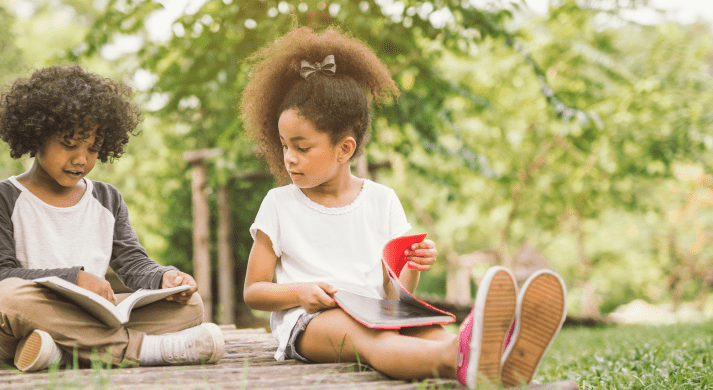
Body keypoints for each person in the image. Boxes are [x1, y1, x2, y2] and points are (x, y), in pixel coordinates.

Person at [240, 27, 567, 388]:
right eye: (285, 145)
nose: (289, 158)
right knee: (372, 341)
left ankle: (510, 375)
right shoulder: (280, 204)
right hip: (311, 321)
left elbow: (395, 294)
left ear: (344, 149)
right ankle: (461, 358)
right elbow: (254, 290)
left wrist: (410, 265)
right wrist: (299, 292)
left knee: (434, 332)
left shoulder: (382, 200)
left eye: (302, 147)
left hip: (380, 312)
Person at [0, 65, 224, 373]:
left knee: (190, 306)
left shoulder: (107, 198)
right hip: (26, 321)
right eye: (69, 144)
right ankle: (146, 350)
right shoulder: (2, 197)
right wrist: (75, 278)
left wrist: (165, 278)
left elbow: (133, 263)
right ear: (36, 135)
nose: (81, 159)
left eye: (93, 148)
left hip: (91, 321)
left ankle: (63, 353)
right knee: (5, 298)